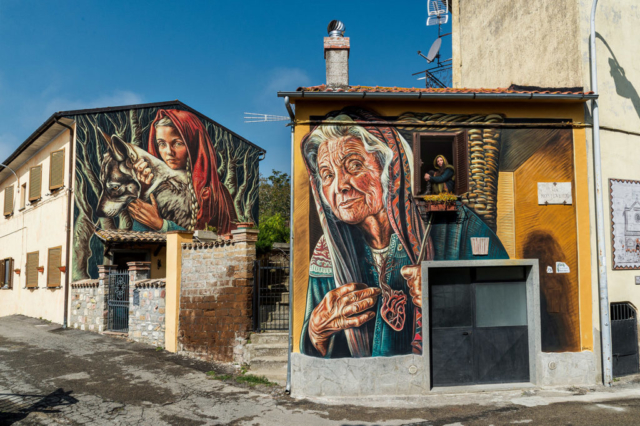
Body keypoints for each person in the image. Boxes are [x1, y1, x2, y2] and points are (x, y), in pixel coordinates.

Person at [300, 107, 509, 359]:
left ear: (390, 169)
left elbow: (505, 302)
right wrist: (316, 331)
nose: (339, 186)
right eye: (327, 174)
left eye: (354, 165)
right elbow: (315, 352)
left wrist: (447, 297)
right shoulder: (328, 250)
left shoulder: (455, 225)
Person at [127, 109, 237, 234]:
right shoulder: (153, 186)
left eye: (178, 143)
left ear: (193, 145)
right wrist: (145, 192)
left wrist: (162, 225)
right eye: (162, 144)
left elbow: (219, 242)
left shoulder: (217, 194)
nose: (169, 152)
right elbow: (139, 241)